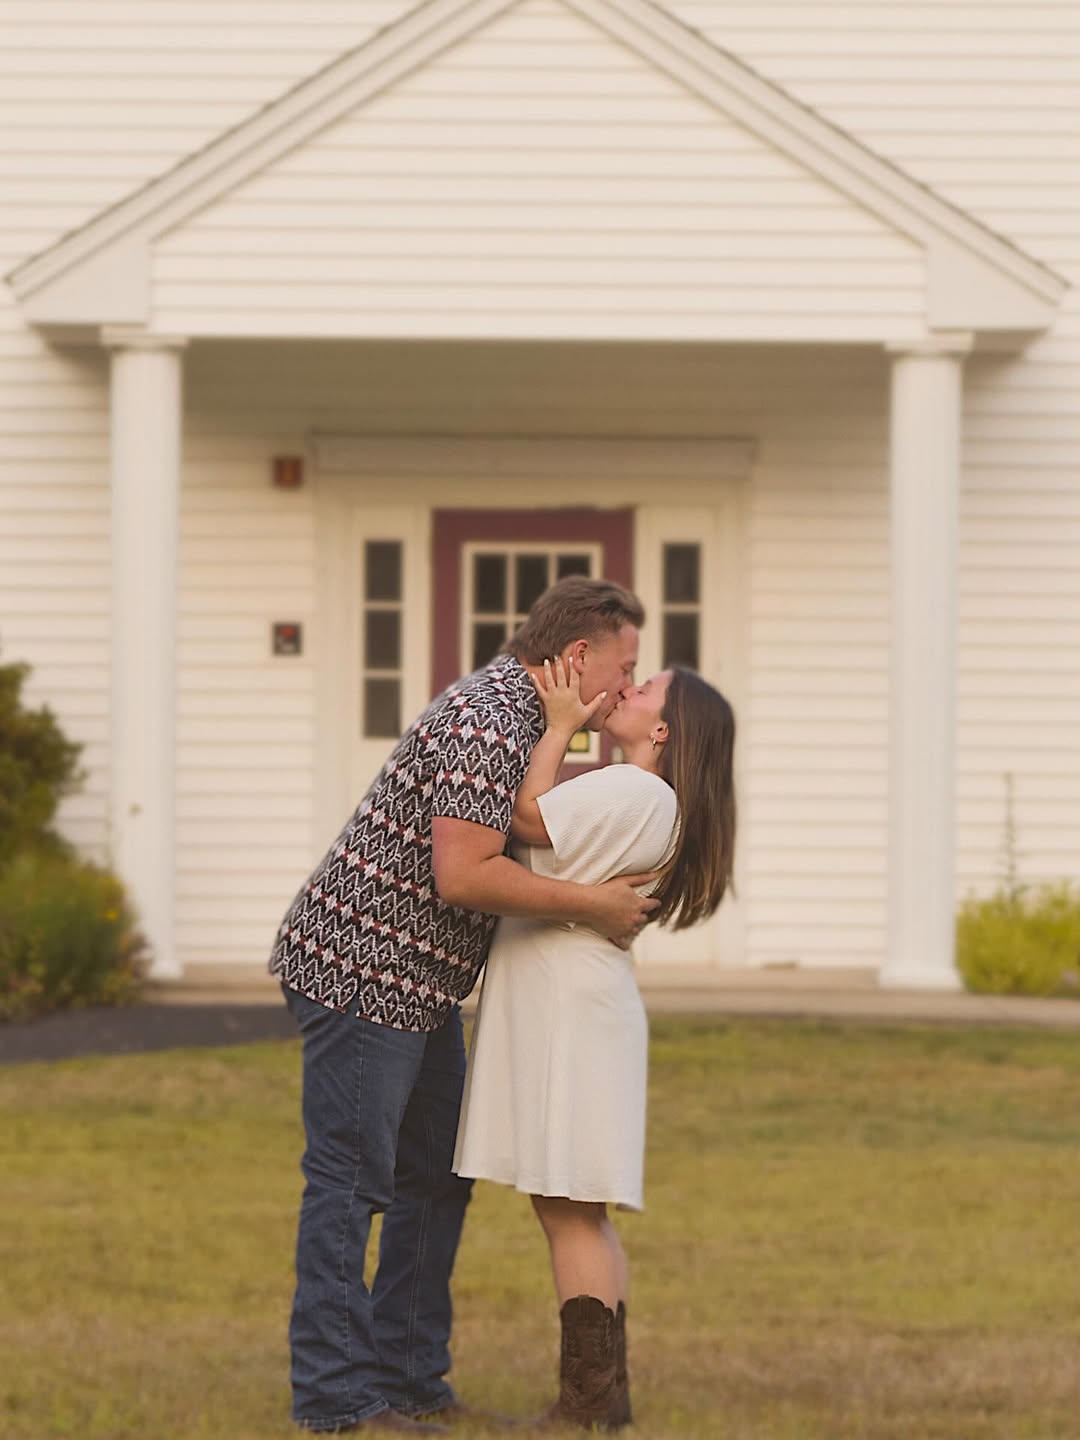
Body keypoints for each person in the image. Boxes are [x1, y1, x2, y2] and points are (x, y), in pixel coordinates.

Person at [268, 577, 662, 1435]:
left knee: (437, 1180)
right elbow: (465, 872)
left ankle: (408, 1376)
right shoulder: (488, 717)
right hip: (361, 970)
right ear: (578, 654)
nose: (630, 686)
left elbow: (548, 827)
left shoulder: (532, 724)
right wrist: (595, 905)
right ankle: (336, 1400)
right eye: (625, 667)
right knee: (352, 1183)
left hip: (422, 985)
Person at [453, 656, 737, 1430]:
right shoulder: (647, 796)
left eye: (647, 691)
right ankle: (604, 1395)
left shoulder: (639, 787)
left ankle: (585, 1404)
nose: (630, 689)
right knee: (581, 1207)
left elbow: (527, 818)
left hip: (569, 1006)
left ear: (664, 729)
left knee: (571, 1208)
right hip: (581, 1001)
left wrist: (556, 727)